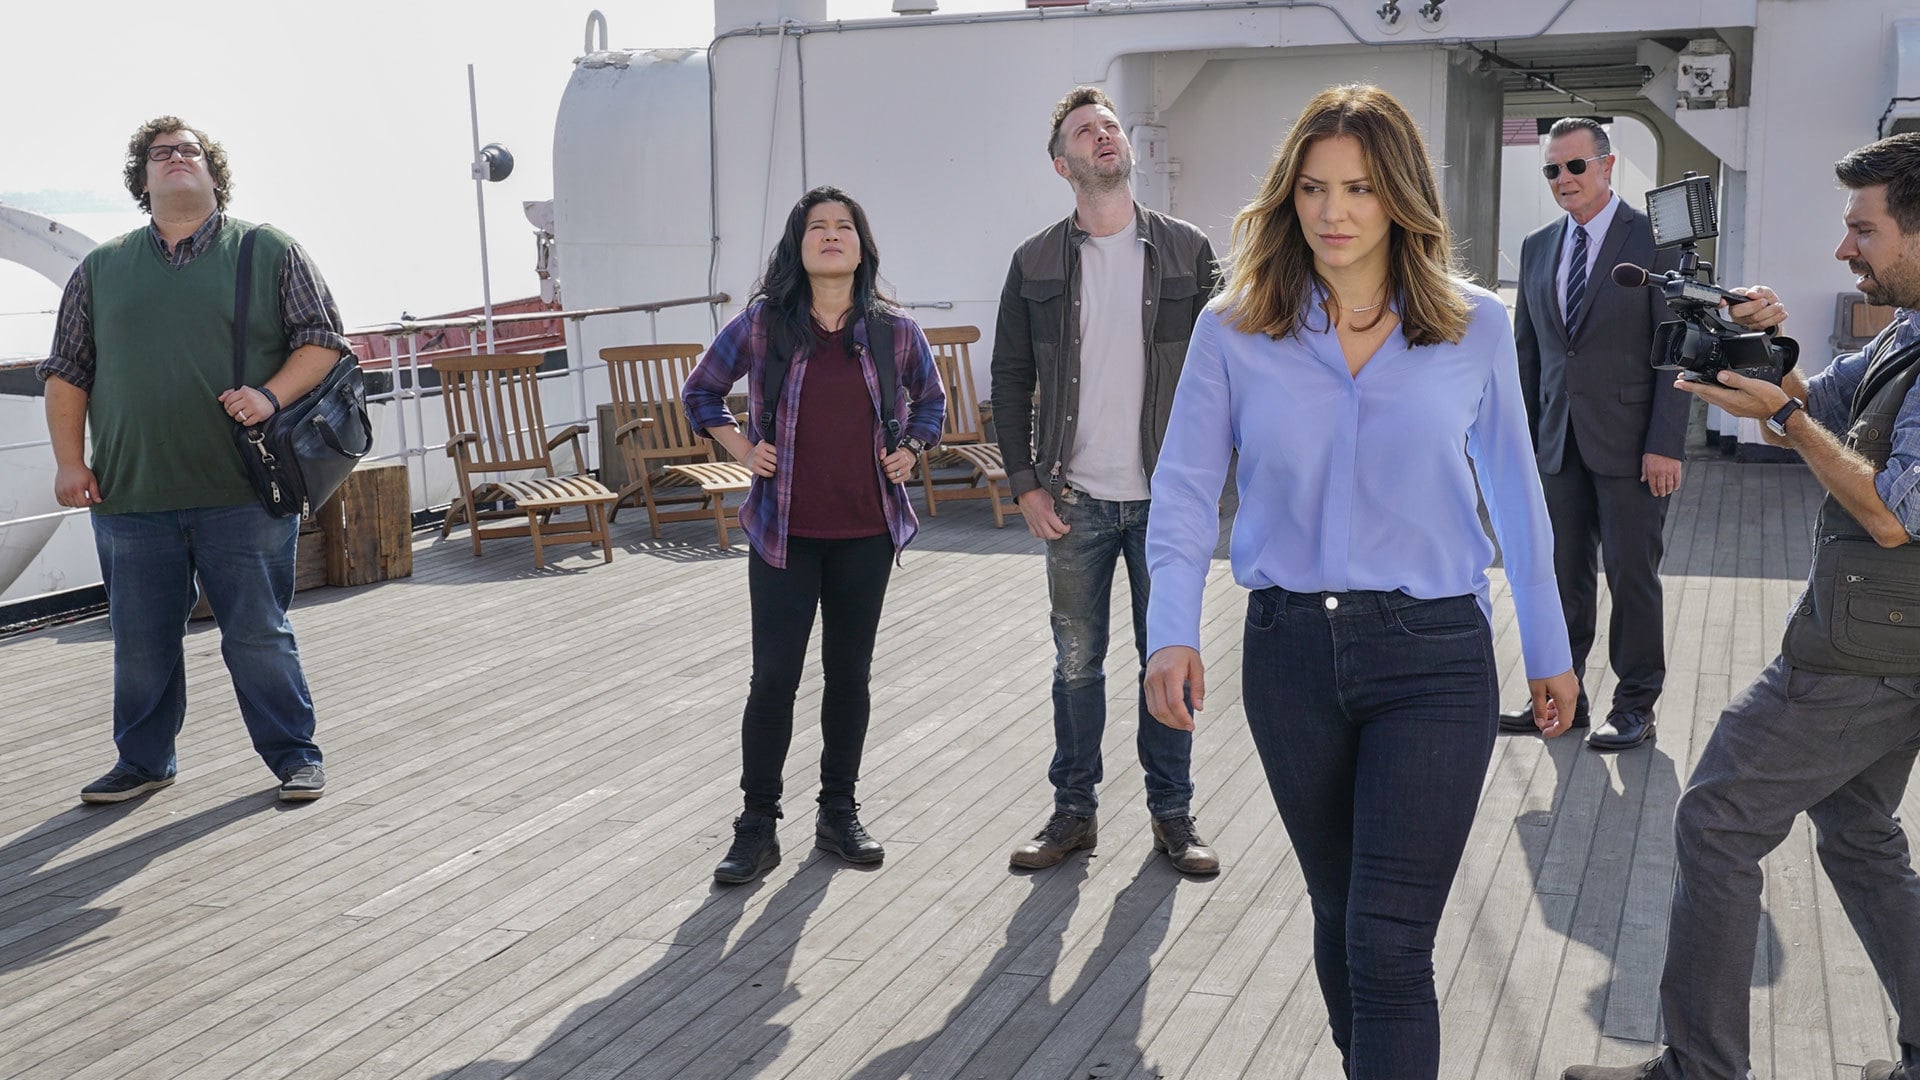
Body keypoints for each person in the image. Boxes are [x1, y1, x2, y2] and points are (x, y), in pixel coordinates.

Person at [1142, 84, 1579, 1079]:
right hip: (1288, 655)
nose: (1333, 212)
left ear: (1402, 196)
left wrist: (1549, 649)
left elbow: (1518, 498)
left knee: (1387, 936)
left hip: (1434, 659)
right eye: (1313, 188)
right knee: (1342, 913)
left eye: (1360, 188)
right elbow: (1184, 492)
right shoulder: (1232, 328)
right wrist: (1171, 630)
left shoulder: (1473, 325)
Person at [1561, 133, 1920, 1080]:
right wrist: (1757, 348)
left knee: (1716, 821)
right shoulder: (1908, 331)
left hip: (1863, 652)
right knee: (1860, 836)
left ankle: (1701, 1068)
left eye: (1864, 230)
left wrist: (1785, 419)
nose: (1845, 249)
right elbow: (1818, 403)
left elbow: (1891, 517)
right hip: (1889, 645)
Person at [39, 117, 345, 805]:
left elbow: (323, 340)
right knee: (140, 644)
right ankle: (143, 762)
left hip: (243, 489)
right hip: (130, 493)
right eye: (161, 153)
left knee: (258, 634)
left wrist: (270, 395)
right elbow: (67, 374)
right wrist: (68, 462)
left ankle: (296, 757)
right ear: (142, 178)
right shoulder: (100, 269)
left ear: (213, 172)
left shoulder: (268, 250)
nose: (176, 158)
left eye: (190, 151)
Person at [684, 185, 946, 885]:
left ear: (861, 247)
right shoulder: (764, 324)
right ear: (798, 247)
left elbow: (932, 402)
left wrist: (910, 448)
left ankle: (838, 813)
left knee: (849, 676)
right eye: (817, 227)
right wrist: (744, 449)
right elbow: (700, 391)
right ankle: (756, 826)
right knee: (773, 679)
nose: (832, 235)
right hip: (783, 533)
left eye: (844, 226)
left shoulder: (895, 331)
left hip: (866, 531)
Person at [990, 86, 1222, 875]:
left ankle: (1173, 814)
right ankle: (1074, 813)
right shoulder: (1034, 262)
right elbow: (1011, 377)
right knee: (1076, 664)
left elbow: (1228, 373)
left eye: (1110, 125)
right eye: (1085, 130)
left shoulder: (1189, 252)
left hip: (1168, 501)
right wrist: (1024, 482)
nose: (1103, 135)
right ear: (1063, 164)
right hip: (1074, 500)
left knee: (1169, 657)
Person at [1497, 116, 1691, 752]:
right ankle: (1563, 697)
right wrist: (1523, 447)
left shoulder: (1655, 243)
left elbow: (1674, 353)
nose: (1563, 178)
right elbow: (1528, 356)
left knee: (1632, 577)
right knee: (1561, 577)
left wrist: (1665, 444)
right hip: (1557, 445)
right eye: (1552, 169)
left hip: (1635, 448)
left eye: (1575, 165)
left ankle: (1636, 705)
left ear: (1607, 166)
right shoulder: (1536, 247)